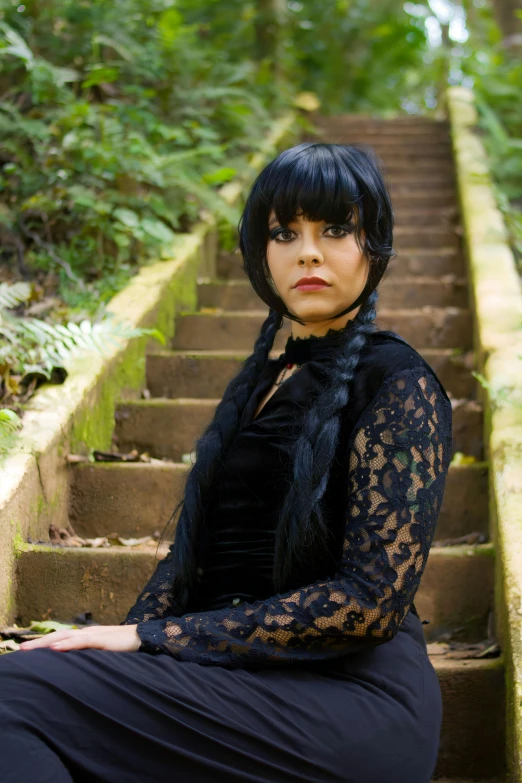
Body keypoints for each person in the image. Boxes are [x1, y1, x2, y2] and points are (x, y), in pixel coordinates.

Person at [0, 142, 453, 783]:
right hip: (242, 679)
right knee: (34, 690)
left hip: (352, 701)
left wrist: (151, 641)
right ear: (259, 252)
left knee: (10, 695)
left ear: (374, 245)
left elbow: (370, 603)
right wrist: (126, 642)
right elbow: (201, 558)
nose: (308, 252)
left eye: (336, 229)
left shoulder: (400, 384)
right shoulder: (264, 380)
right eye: (284, 233)